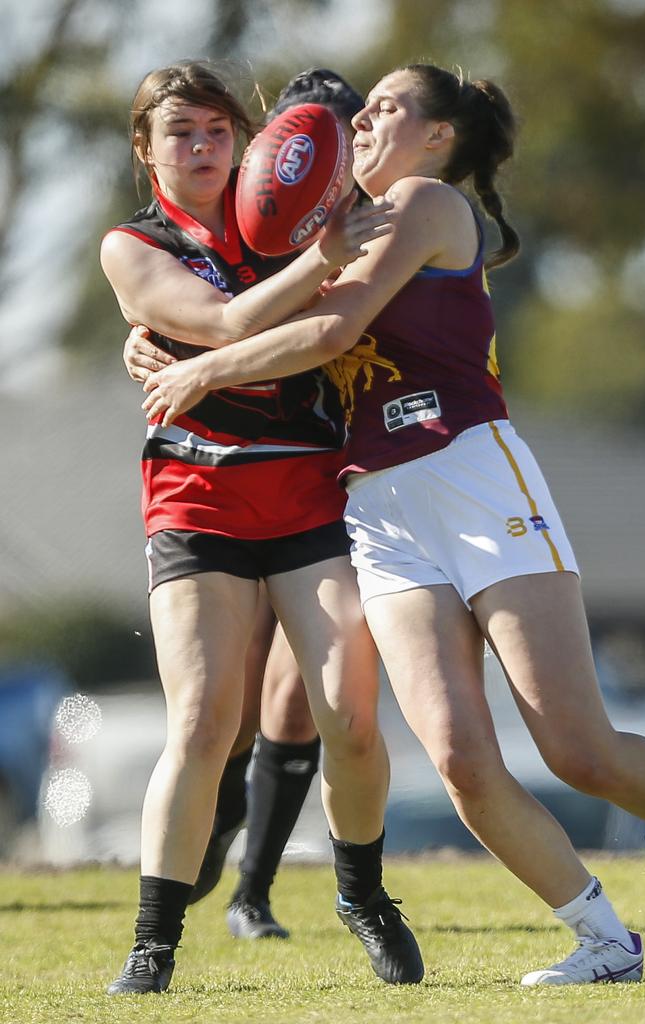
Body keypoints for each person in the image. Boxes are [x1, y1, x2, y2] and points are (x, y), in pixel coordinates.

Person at [142, 62, 645, 985]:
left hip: (473, 481)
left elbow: (325, 329)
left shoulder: (426, 204)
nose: (362, 121)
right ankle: (603, 939)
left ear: (438, 137)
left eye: (387, 109)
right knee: (462, 764)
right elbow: (249, 305)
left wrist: (203, 366)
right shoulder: (334, 229)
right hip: (381, 509)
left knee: (577, 747)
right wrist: (177, 336)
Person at [101, 61, 424, 995]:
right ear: (145, 149)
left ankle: (361, 894)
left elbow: (350, 325)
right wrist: (322, 261)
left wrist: (335, 249)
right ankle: (152, 947)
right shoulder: (134, 244)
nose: (202, 149)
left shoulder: (298, 209)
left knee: (351, 716)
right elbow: (222, 323)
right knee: (204, 723)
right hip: (197, 506)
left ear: (246, 139)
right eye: (180, 134)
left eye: (216, 131)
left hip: (311, 498)